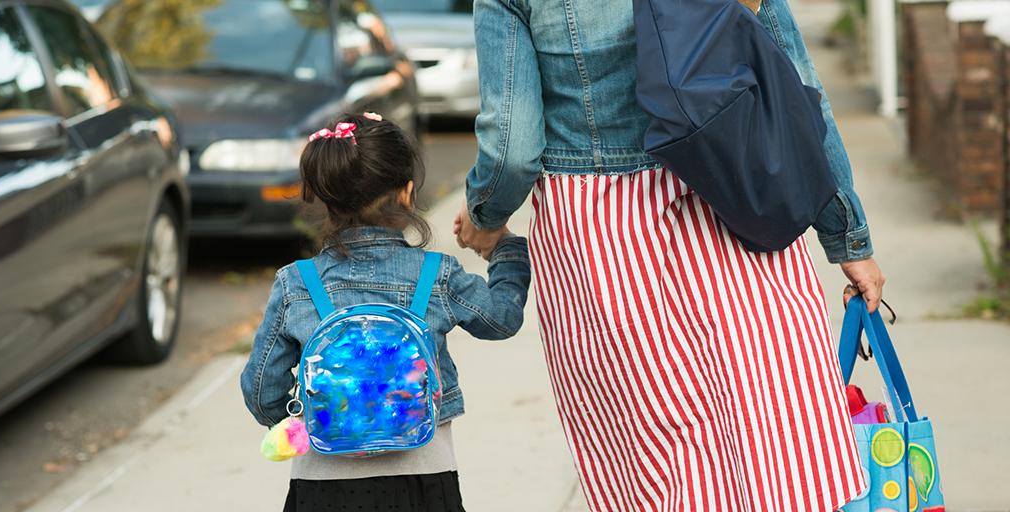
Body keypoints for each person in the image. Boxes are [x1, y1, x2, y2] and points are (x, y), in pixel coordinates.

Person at [454, 0, 884, 510]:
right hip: (729, 197)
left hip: (602, 239)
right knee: (771, 443)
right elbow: (795, 87)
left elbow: (512, 149)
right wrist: (847, 239)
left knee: (656, 462)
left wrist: (486, 218)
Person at [241, 113, 531, 512]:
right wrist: (506, 250)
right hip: (425, 475)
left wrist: (308, 423)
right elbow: (502, 319)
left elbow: (261, 390)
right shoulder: (436, 275)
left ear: (327, 198)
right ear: (408, 193)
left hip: (323, 483)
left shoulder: (297, 284)